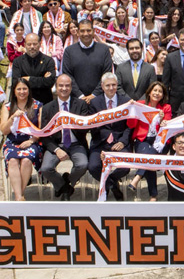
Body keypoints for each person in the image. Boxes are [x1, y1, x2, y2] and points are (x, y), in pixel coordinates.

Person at [38, 74, 91, 201]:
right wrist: (56, 150)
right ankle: (63, 186)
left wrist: (72, 121)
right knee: (46, 169)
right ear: (56, 87)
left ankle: (68, 182)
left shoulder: (81, 105)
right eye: (61, 85)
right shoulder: (47, 108)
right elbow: (44, 135)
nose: (64, 88)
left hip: (76, 144)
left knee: (83, 164)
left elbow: (86, 127)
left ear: (71, 87)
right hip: (56, 145)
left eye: (67, 85)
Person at [87, 72, 131, 201]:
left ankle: (108, 182)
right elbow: (93, 126)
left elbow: (130, 125)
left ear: (117, 85)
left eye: (113, 85)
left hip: (119, 142)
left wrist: (123, 141)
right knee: (93, 167)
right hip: (100, 143)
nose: (111, 88)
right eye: (108, 85)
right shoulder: (95, 102)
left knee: (125, 167)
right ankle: (112, 186)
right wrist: (103, 147)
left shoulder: (126, 102)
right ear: (102, 86)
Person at [127, 81, 172, 201]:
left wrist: (162, 120)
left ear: (163, 95)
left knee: (148, 156)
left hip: (160, 141)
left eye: (160, 91)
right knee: (149, 158)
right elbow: (131, 125)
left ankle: (137, 178)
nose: (157, 93)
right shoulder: (140, 104)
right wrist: (132, 111)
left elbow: (166, 128)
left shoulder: (166, 108)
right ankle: (153, 195)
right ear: (149, 92)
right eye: (155, 90)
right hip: (143, 139)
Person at [0, 78, 43, 201]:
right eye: (19, 89)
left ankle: (20, 194)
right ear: (14, 91)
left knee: (26, 160)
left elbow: (40, 129)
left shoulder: (37, 105)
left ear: (29, 90)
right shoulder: (7, 107)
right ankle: (19, 197)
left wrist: (31, 141)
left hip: (31, 141)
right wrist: (12, 117)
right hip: (12, 142)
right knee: (12, 160)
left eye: (24, 89)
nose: (22, 92)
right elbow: (4, 130)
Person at [61, 19, 114, 102]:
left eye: (88, 30)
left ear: (93, 31)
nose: (86, 34)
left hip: (100, 100)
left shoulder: (104, 50)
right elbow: (68, 75)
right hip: (76, 100)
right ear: (77, 32)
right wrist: (80, 95)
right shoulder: (69, 51)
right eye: (82, 31)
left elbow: (107, 74)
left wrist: (94, 95)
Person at [10, 33, 57, 105]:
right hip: (24, 103)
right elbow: (16, 83)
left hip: (44, 102)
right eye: (29, 44)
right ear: (24, 45)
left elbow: (50, 82)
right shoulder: (17, 62)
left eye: (35, 44)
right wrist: (42, 79)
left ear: (39, 44)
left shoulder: (48, 61)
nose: (32, 47)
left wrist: (29, 79)